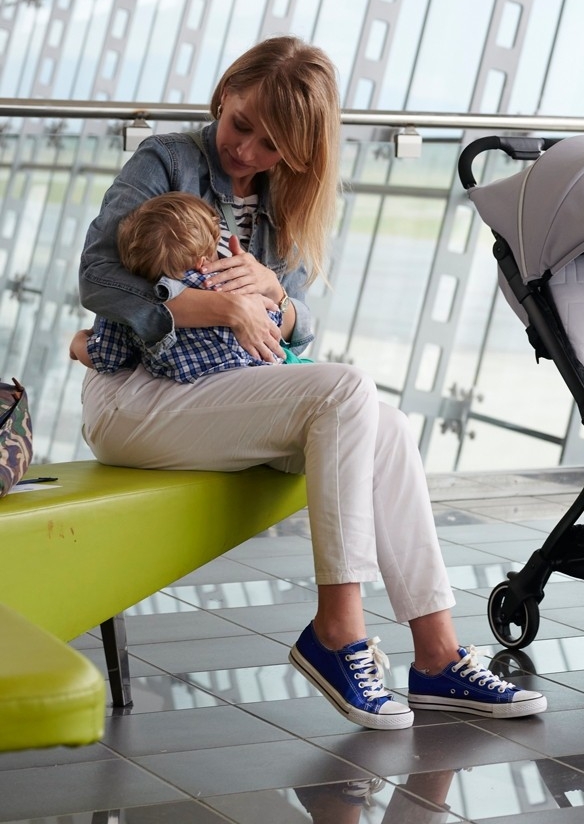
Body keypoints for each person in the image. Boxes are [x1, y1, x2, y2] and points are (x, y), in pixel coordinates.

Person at [77, 36, 547, 728]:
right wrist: (219, 306)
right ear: (225, 93)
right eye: (241, 125)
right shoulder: (166, 162)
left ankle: (437, 655)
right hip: (136, 397)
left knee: (387, 425)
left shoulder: (284, 196)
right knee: (349, 390)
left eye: (272, 146)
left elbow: (297, 328)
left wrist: (273, 294)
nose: (247, 151)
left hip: (220, 394)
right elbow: (97, 279)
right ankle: (337, 632)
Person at [70, 191, 311, 381]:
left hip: (189, 393)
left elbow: (106, 357)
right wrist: (266, 289)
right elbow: (273, 324)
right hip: (258, 378)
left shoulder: (130, 303)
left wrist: (78, 343)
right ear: (203, 261)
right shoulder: (227, 283)